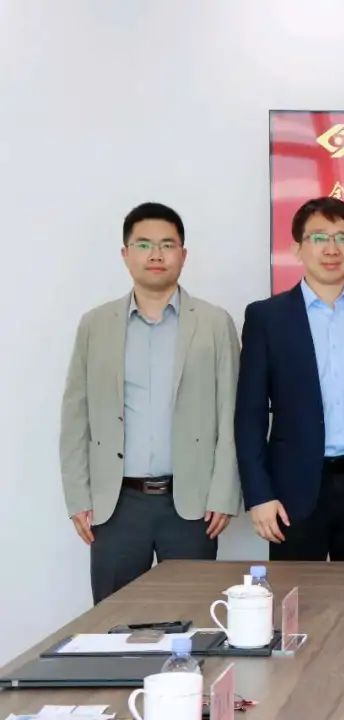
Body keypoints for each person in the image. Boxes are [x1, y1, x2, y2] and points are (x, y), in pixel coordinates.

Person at [60, 202, 241, 603]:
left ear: (183, 255)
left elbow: (232, 412)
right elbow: (76, 416)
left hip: (190, 504)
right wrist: (79, 498)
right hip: (117, 504)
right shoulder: (95, 325)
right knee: (113, 622)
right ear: (125, 254)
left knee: (193, 617)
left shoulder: (214, 323)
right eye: (144, 245)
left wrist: (224, 493)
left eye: (167, 245)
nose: (156, 255)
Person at [235, 197, 344, 561]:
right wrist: (259, 494)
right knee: (296, 594)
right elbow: (249, 414)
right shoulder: (267, 318)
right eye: (319, 237)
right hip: (293, 491)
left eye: (342, 238)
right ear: (298, 247)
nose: (331, 249)